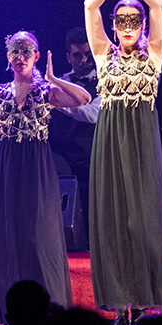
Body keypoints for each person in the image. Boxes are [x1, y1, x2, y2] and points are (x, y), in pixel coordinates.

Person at [0, 30, 90, 323]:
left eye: (27, 52)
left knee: (37, 237)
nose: (21, 58)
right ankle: (11, 312)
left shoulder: (46, 92)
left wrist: (54, 78)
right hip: (6, 168)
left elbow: (83, 97)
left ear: (37, 56)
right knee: (7, 236)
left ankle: (46, 310)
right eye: (15, 51)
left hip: (37, 168)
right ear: (8, 56)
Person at [84, 0, 162, 325]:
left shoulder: (154, 53)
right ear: (113, 24)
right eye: (121, 20)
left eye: (133, 21)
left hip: (140, 142)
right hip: (109, 141)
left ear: (141, 25)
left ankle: (141, 302)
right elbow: (90, 5)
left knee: (140, 220)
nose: (127, 26)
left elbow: (156, 3)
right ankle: (121, 303)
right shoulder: (102, 54)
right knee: (113, 220)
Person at [48, 27, 102, 234]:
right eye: (78, 55)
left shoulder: (103, 82)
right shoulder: (60, 83)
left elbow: (92, 114)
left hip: (93, 153)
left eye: (88, 54)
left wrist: (58, 102)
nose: (84, 60)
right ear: (68, 57)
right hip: (64, 155)